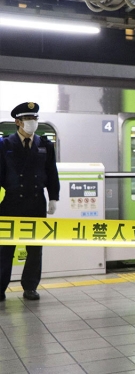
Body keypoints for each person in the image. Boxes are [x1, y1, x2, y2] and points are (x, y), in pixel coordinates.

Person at [0, 102, 59, 302]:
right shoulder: (5, 144)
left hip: (36, 202)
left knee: (35, 248)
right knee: (6, 247)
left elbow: (52, 173)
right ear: (17, 122)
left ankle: (30, 287)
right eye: (27, 119)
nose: (32, 122)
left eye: (34, 118)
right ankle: (0, 287)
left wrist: (53, 197)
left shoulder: (45, 144)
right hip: (11, 203)